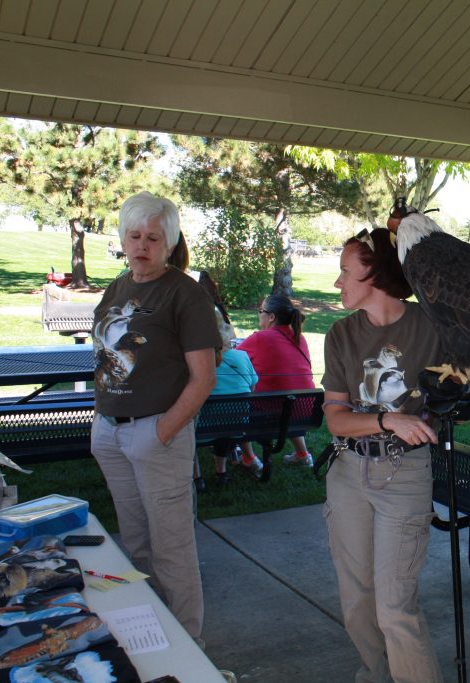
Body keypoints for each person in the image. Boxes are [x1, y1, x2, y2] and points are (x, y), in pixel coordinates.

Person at [90, 190, 220, 646]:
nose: (142, 245)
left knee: (172, 550)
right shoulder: (118, 287)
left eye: (153, 237)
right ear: (123, 239)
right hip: (110, 432)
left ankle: (189, 646)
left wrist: (163, 431)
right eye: (134, 235)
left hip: (156, 433)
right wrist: (101, 418)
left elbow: (203, 377)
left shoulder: (184, 293)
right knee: (136, 543)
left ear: (169, 243)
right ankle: (152, 636)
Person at [322, 227, 445, 683]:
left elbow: (459, 384)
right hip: (350, 471)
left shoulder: (431, 327)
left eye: (344, 273)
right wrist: (386, 420)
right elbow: (335, 418)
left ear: (375, 276)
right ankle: (377, 675)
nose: (338, 283)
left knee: (394, 607)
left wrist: (457, 396)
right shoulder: (341, 334)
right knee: (357, 601)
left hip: (404, 475)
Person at [237, 293, 316, 466]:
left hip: (271, 414)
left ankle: (249, 458)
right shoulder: (299, 337)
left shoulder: (260, 338)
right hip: (305, 412)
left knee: (236, 398)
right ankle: (303, 454)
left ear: (271, 317)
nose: (259, 314)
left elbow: (232, 358)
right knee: (288, 399)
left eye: (261, 311)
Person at [208, 307, 264, 483]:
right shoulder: (241, 356)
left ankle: (201, 476)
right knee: (227, 420)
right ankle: (230, 466)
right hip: (239, 423)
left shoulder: (198, 360)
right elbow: (253, 387)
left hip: (206, 426)